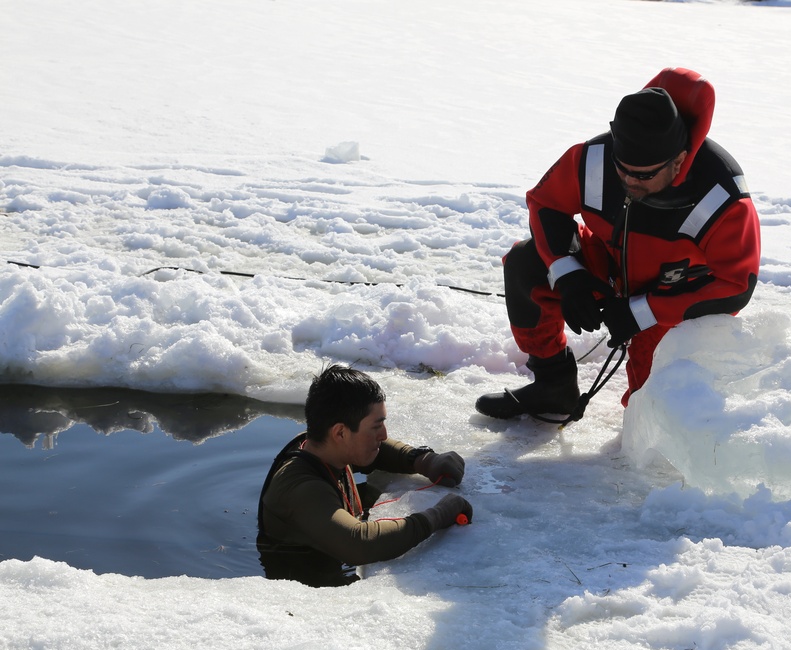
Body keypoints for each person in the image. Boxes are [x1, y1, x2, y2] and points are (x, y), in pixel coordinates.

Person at [476, 67, 761, 420]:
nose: (628, 181)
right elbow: (546, 202)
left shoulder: (723, 198)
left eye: (643, 175)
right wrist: (569, 274)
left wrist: (644, 311)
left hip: (672, 299)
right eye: (621, 168)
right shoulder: (595, 157)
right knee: (526, 262)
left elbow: (736, 286)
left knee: (647, 412)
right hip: (608, 270)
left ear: (679, 160)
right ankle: (553, 386)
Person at [258, 365, 472, 587]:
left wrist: (422, 459)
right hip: (305, 593)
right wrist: (438, 515)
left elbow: (374, 453)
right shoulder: (303, 489)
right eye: (376, 427)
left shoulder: (321, 445)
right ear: (340, 432)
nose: (384, 434)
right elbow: (360, 544)